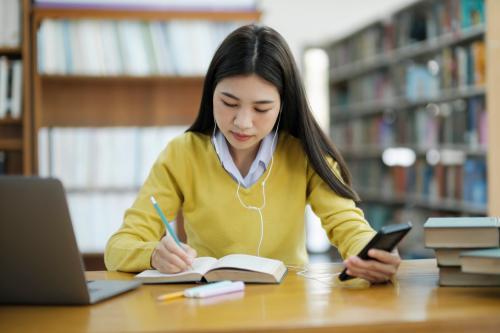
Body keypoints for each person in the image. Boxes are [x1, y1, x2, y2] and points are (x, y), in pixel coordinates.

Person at [104, 24, 401, 283]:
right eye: (229, 103)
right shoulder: (182, 154)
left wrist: (374, 254)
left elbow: (348, 226)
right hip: (208, 307)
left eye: (261, 108)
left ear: (284, 105)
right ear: (211, 95)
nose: (243, 122)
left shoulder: (303, 153)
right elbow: (119, 247)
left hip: (288, 308)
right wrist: (154, 255)